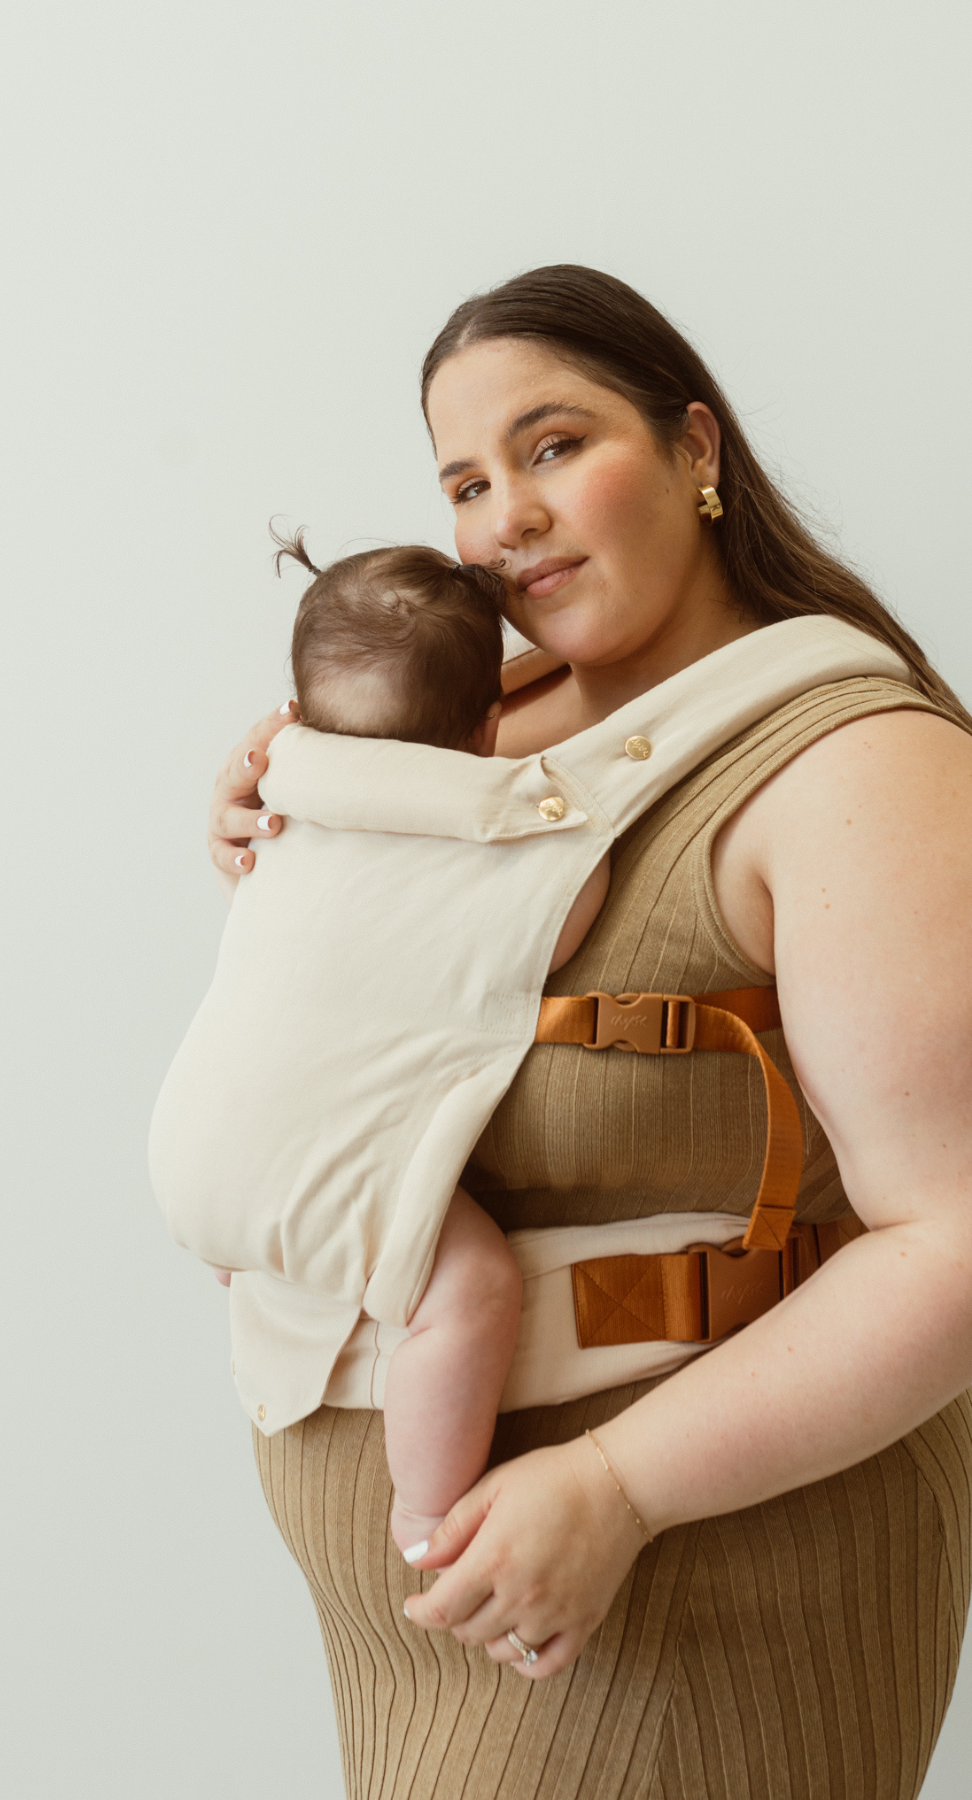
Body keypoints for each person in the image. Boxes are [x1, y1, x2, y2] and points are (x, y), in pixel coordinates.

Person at [204, 266, 972, 1800]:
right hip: (432, 1623)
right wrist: (259, 834)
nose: (506, 513)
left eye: (555, 445)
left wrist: (619, 1487)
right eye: (466, 479)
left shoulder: (862, 773)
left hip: (680, 1607)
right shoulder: (465, 733)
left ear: (699, 451)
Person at [152, 536, 612, 1552]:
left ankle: (262, 1237)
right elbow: (572, 914)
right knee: (473, 1289)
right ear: (491, 721)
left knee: (295, 1173)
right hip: (299, 1183)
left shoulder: (273, 805)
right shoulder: (501, 841)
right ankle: (425, 1507)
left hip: (190, 1161)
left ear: (297, 708)